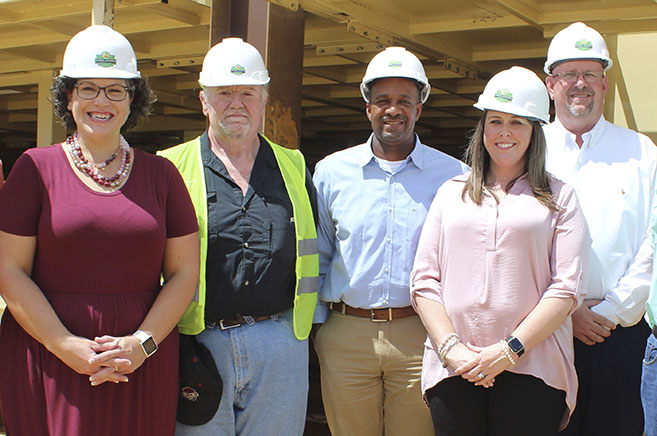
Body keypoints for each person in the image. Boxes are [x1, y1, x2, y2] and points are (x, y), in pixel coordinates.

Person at [0, 25, 199, 436]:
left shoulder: (163, 175)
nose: (101, 101)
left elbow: (184, 273)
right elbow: (9, 270)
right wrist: (64, 344)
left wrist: (142, 344)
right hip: (48, 354)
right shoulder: (34, 169)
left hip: (138, 363)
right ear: (68, 97)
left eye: (115, 90)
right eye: (88, 88)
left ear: (132, 99)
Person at [410, 66, 588, 436]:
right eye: (495, 121)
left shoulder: (560, 197)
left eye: (517, 122)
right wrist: (452, 350)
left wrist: (508, 351)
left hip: (533, 367)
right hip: (455, 367)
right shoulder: (450, 193)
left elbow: (566, 288)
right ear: (482, 129)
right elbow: (424, 281)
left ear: (535, 131)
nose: (504, 132)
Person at [158, 37, 318, 436]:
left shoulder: (293, 165)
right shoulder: (168, 168)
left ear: (263, 101)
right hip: (199, 344)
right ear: (203, 101)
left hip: (280, 341)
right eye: (224, 93)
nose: (236, 103)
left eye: (247, 93)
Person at [312, 46, 468, 436]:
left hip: (421, 335)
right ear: (368, 108)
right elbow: (319, 253)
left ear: (419, 109)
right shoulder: (331, 172)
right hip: (347, 334)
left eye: (404, 101)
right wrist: (318, 328)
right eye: (383, 100)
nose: (393, 110)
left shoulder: (455, 176)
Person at [542, 22, 657, 436]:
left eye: (590, 73)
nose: (580, 84)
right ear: (550, 85)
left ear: (605, 83)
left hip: (620, 336)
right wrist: (566, 313)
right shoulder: (529, 148)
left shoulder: (641, 151)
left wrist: (609, 312)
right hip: (544, 336)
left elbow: (653, 243)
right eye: (569, 74)